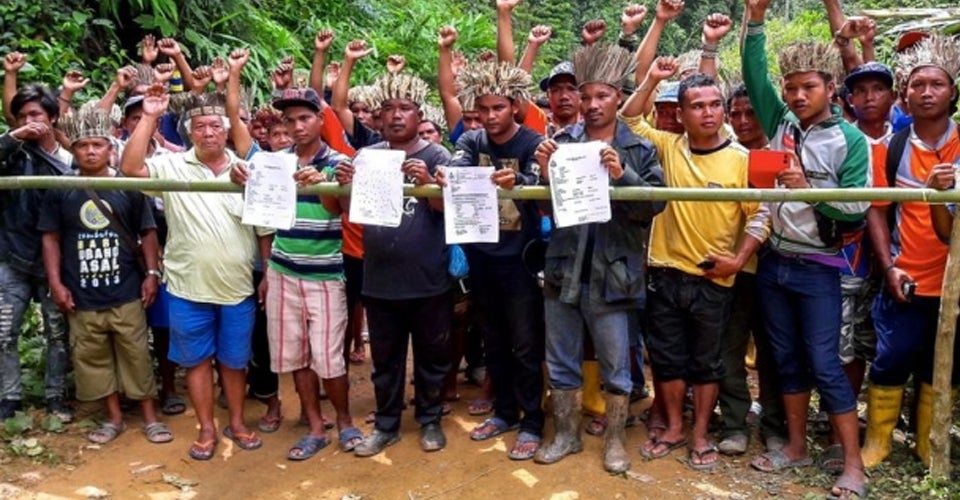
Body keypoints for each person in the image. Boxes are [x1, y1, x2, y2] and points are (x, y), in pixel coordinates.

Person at [743, 2, 871, 497]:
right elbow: (755, 75)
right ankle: (794, 447)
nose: (796, 96)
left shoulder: (850, 140)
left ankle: (854, 466)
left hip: (820, 267)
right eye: (791, 87)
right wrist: (755, 18)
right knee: (786, 358)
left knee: (824, 362)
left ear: (829, 88)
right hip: (776, 261)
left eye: (808, 87)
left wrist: (808, 188)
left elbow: (856, 209)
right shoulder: (779, 122)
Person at [621, 59, 768, 472]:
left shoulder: (742, 159)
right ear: (681, 115)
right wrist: (653, 79)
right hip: (665, 273)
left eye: (714, 104)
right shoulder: (668, 147)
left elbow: (760, 214)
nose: (708, 113)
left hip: (713, 276)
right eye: (697, 106)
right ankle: (672, 427)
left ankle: (701, 432)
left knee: (707, 362)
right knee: (667, 358)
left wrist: (738, 260)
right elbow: (630, 117)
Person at [120, 84, 273, 461]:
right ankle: (206, 427)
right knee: (196, 360)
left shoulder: (247, 169)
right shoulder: (172, 166)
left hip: (237, 286)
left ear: (227, 130)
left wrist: (268, 272)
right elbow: (129, 167)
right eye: (200, 126)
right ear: (190, 131)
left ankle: (236, 423)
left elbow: (265, 228)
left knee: (235, 361)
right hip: (187, 287)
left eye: (215, 126)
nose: (208, 132)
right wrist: (152, 115)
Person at [533, 42, 665, 473]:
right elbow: (546, 208)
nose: (591, 105)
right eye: (585, 96)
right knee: (561, 358)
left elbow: (653, 207)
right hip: (564, 268)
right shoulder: (561, 142)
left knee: (615, 363)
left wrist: (621, 175)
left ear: (619, 97)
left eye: (601, 96)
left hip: (614, 274)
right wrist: (541, 172)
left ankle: (614, 442)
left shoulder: (639, 149)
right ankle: (568, 436)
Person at [229, 66, 364, 460]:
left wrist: (325, 186)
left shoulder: (338, 161)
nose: (297, 125)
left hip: (326, 273)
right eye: (290, 120)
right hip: (285, 271)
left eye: (305, 118)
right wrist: (244, 174)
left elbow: (346, 212)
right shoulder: (276, 161)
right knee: (296, 356)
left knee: (329, 358)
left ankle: (344, 421)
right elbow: (244, 158)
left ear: (320, 120)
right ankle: (316, 426)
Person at [334, 73, 454, 457]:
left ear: (420, 115)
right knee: (385, 358)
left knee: (432, 355)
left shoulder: (437, 156)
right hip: (379, 278)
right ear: (378, 118)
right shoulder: (368, 156)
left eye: (405, 109)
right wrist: (343, 183)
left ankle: (430, 419)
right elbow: (348, 209)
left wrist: (428, 188)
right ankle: (386, 425)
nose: (397, 116)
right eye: (388, 109)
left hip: (428, 278)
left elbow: (452, 211)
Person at [39, 104, 172, 445]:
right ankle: (112, 417)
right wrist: (55, 282)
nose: (91, 151)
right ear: (75, 150)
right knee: (92, 357)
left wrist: (152, 273)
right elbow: (51, 238)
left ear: (111, 149)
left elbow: (147, 232)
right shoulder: (60, 189)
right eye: (83, 146)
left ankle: (149, 416)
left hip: (126, 289)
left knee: (137, 353)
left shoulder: (128, 186)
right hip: (81, 292)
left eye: (98, 145)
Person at [861, 34, 960, 469]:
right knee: (891, 357)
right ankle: (877, 443)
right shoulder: (891, 148)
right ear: (904, 94)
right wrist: (888, 268)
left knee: (945, 367)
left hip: (953, 283)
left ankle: (928, 443)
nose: (926, 92)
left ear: (952, 92)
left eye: (936, 84)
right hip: (907, 276)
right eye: (917, 85)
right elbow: (878, 213)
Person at [440, 60, 545, 461]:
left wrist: (520, 183)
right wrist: (443, 175)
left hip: (519, 259)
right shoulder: (472, 142)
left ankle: (532, 420)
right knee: (495, 339)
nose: (489, 116)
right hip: (481, 255)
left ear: (514, 106)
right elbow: (455, 169)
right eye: (482, 109)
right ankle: (504, 413)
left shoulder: (532, 142)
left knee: (524, 342)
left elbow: (543, 184)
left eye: (497, 108)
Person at [718, 84, 788, 455]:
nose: (744, 121)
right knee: (729, 346)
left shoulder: (784, 150)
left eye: (751, 113)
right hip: (735, 269)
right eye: (737, 114)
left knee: (774, 349)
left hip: (779, 266)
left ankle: (775, 424)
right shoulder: (725, 153)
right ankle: (734, 421)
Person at [0, 82, 73, 422]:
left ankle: (55, 396)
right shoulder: (10, 151)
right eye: (22, 115)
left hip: (54, 262)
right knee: (4, 332)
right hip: (11, 256)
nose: (29, 121)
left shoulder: (68, 156)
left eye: (36, 114)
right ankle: (10, 397)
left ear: (53, 117)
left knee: (57, 333)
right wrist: (15, 136)